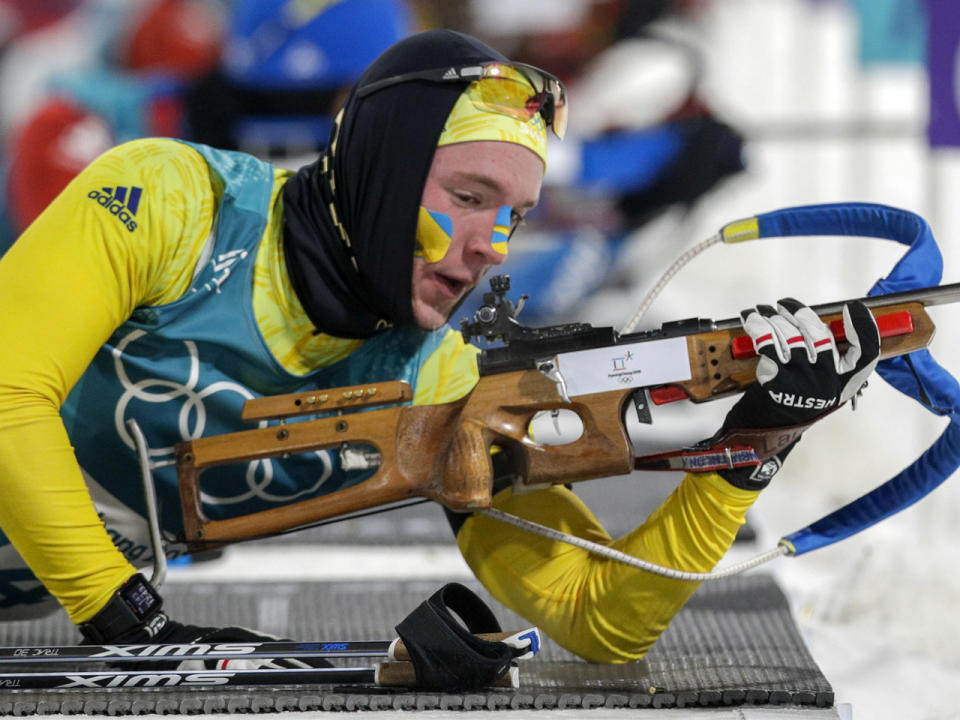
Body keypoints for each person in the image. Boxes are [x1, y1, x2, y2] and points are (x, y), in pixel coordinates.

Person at [0, 28, 880, 664]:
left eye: (516, 218)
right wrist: (124, 616)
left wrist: (755, 445)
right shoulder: (169, 201)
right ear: (380, 162)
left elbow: (599, 619)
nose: (492, 244)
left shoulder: (440, 379)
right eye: (468, 194)